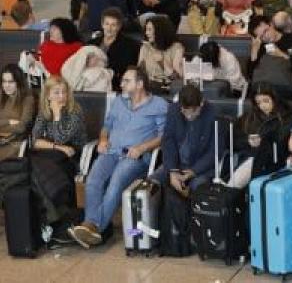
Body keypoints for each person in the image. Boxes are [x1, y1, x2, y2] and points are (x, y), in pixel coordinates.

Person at [68, 66, 168, 248]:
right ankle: (91, 227)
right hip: (111, 152)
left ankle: (94, 226)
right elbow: (107, 125)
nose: (121, 84)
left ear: (140, 84)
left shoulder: (159, 105)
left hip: (135, 156)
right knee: (93, 180)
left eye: (126, 81)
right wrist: (103, 140)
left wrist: (142, 147)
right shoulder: (119, 101)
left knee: (116, 182)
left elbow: (164, 136)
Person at [31, 75, 86, 241]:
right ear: (47, 95)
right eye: (56, 93)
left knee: (39, 167)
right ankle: (51, 215)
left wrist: (56, 115)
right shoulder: (44, 110)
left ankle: (52, 218)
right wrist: (56, 146)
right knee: (33, 163)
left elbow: (62, 137)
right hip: (56, 151)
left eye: (64, 92)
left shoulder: (75, 111)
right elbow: (35, 140)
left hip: (73, 154)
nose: (61, 96)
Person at [150, 84, 214, 194]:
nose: (188, 116)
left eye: (193, 111)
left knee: (196, 189)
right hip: (176, 164)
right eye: (184, 111)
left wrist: (193, 171)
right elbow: (168, 141)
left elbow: (215, 151)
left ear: (201, 103)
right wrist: (173, 171)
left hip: (199, 167)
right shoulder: (174, 110)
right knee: (152, 185)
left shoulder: (212, 114)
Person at [229, 83, 292, 188]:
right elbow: (232, 140)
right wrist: (248, 141)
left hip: (271, 160)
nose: (262, 106)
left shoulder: (286, 117)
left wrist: (263, 141)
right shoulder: (249, 117)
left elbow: (283, 141)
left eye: (266, 101)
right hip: (246, 157)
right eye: (258, 102)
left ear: (275, 99)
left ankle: (228, 194)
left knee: (237, 180)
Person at [248, 15, 292, 99]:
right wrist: (254, 53)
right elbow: (251, 76)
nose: (265, 37)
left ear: (271, 25)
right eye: (261, 37)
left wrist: (282, 55)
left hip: (289, 88)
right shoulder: (261, 48)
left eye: (266, 31)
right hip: (264, 90)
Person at [88, 7, 141, 91]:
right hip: (92, 85)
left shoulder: (130, 45)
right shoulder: (91, 44)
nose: (109, 28)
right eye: (107, 24)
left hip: (116, 86)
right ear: (102, 24)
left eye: (113, 25)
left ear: (119, 27)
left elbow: (127, 69)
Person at [138, 15, 184, 87]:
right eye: (146, 30)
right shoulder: (145, 47)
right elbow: (139, 71)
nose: (146, 33)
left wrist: (162, 62)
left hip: (167, 87)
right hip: (148, 86)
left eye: (150, 30)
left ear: (159, 30)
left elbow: (176, 78)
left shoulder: (177, 48)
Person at [0, 64, 34, 160]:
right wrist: (9, 121)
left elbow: (22, 127)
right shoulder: (1, 96)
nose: (6, 85)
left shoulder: (27, 99)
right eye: (4, 81)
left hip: (13, 143)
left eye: (11, 82)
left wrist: (2, 125)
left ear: (18, 82)